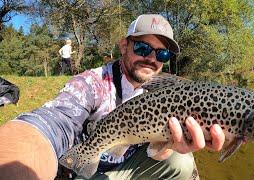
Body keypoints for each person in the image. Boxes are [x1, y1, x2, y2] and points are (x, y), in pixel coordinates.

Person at [0, 14, 225, 180]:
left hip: (130, 164)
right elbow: (53, 123)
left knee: (182, 162)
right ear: (124, 45)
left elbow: (155, 152)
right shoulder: (90, 83)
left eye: (162, 53)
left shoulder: (167, 89)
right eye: (143, 47)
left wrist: (169, 146)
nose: (152, 59)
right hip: (93, 172)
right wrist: (15, 162)